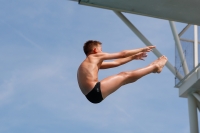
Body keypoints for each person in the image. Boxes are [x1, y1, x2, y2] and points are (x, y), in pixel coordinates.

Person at [77, 40, 167, 104]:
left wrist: (133, 57)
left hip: (92, 95)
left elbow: (116, 63)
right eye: (101, 49)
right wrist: (142, 49)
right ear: (95, 50)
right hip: (95, 91)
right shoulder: (94, 57)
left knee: (123, 75)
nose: (102, 52)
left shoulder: (89, 63)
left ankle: (154, 67)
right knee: (125, 75)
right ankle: (155, 67)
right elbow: (122, 54)